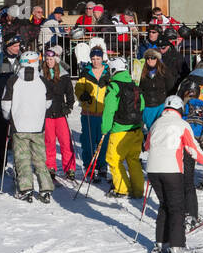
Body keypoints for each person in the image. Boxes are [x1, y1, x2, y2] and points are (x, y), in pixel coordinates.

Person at [145, 96, 203, 253]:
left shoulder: (155, 124)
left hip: (152, 169)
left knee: (164, 205)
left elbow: (146, 146)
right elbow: (192, 147)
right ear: (180, 109)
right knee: (177, 207)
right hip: (171, 169)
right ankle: (177, 246)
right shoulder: (182, 124)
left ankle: (161, 243)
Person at [0, 51, 54, 203]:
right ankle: (45, 189)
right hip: (37, 126)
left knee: (22, 158)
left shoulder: (13, 80)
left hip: (19, 126)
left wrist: (8, 117)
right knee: (39, 159)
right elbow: (48, 103)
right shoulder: (43, 81)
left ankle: (25, 189)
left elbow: (5, 104)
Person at [100, 68, 144, 198]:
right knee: (133, 159)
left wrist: (105, 128)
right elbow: (142, 106)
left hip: (120, 130)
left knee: (113, 159)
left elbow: (109, 109)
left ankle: (122, 189)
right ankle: (138, 190)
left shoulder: (114, 86)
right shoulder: (134, 85)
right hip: (135, 129)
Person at [177, 78, 203, 224]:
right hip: (197, 141)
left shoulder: (181, 104)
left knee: (181, 178)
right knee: (189, 179)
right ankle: (192, 212)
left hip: (183, 142)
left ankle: (184, 212)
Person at [0, 36, 22, 182]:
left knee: (18, 139)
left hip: (19, 105)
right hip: (1, 105)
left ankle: (19, 168)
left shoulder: (22, 59)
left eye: (19, 45)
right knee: (0, 138)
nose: (17, 48)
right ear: (7, 46)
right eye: (15, 46)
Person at [75, 46, 110, 180]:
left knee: (103, 141)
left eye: (98, 58)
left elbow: (113, 90)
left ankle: (102, 165)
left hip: (104, 113)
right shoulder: (86, 72)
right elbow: (78, 88)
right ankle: (89, 165)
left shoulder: (108, 72)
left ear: (102, 58)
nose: (95, 61)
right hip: (88, 113)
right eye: (93, 59)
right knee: (88, 141)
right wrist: (82, 95)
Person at [42, 47, 76, 179]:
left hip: (60, 112)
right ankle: (50, 166)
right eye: (47, 59)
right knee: (49, 142)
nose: (49, 62)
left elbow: (70, 94)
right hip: (48, 113)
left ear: (56, 60)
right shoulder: (41, 74)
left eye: (52, 59)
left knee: (65, 141)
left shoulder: (63, 75)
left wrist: (69, 106)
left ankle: (70, 168)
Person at [137, 47, 175, 130]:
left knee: (159, 129)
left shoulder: (164, 71)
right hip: (147, 106)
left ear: (157, 59)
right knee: (149, 130)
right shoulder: (140, 72)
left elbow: (170, 86)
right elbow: (137, 87)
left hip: (160, 105)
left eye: (153, 57)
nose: (150, 60)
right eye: (148, 58)